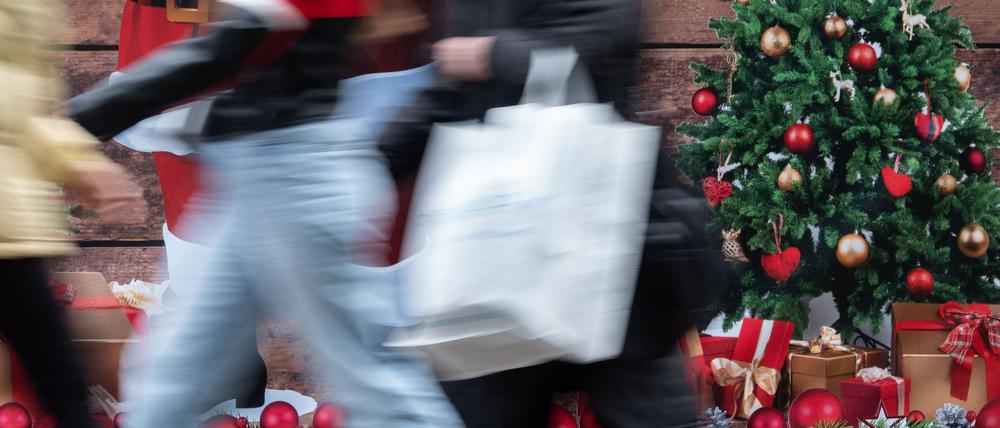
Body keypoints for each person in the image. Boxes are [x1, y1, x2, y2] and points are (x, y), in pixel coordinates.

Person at [67, 1, 464, 426]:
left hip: (296, 175)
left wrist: (77, 120)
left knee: (370, 377)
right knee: (180, 366)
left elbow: (222, 51)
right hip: (259, 172)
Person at [379, 1, 732, 426]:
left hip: (605, 240)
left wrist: (490, 55)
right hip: (497, 250)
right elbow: (449, 84)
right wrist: (372, 162)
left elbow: (606, 35)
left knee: (644, 405)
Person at [0, 0, 140, 425]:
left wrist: (81, 163)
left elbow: (26, 109)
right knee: (57, 373)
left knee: (57, 372)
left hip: (13, 226)